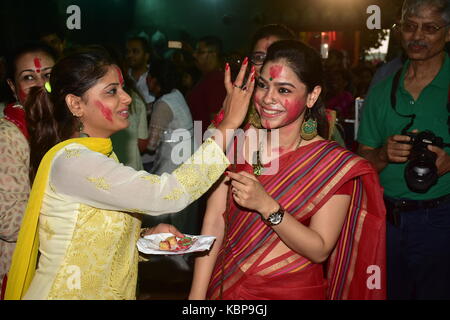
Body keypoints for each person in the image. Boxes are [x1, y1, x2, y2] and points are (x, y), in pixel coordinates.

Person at [4, 47, 256, 300]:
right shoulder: (74, 161)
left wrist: (146, 237)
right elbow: (167, 194)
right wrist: (228, 126)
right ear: (76, 104)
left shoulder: (98, 157)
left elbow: (92, 237)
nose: (126, 98)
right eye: (112, 91)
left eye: (122, 88)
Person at [189, 40, 386, 300]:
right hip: (227, 287)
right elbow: (213, 221)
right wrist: (196, 296)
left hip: (293, 291)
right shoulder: (238, 141)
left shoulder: (332, 164)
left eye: (284, 90)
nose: (268, 98)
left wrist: (267, 206)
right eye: (262, 85)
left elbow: (320, 249)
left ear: (312, 96)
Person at [357, 0, 450, 300]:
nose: (417, 36)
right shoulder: (383, 89)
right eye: (409, 27)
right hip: (387, 220)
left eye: (430, 28)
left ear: (448, 34)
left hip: (442, 219)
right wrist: (383, 155)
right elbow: (361, 165)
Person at [0, 43, 56, 293]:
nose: (40, 84)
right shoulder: (8, 136)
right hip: (19, 266)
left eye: (48, 75)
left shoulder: (61, 126)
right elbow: (9, 222)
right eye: (28, 77)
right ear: (13, 87)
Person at [187, 36, 227, 135]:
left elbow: (216, 122)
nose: (194, 55)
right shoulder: (207, 77)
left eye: (200, 52)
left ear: (213, 55)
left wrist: (209, 148)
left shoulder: (216, 80)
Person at [126, 36, 156, 108]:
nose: (130, 55)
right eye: (128, 51)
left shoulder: (155, 76)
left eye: (135, 51)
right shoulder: (123, 77)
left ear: (146, 55)